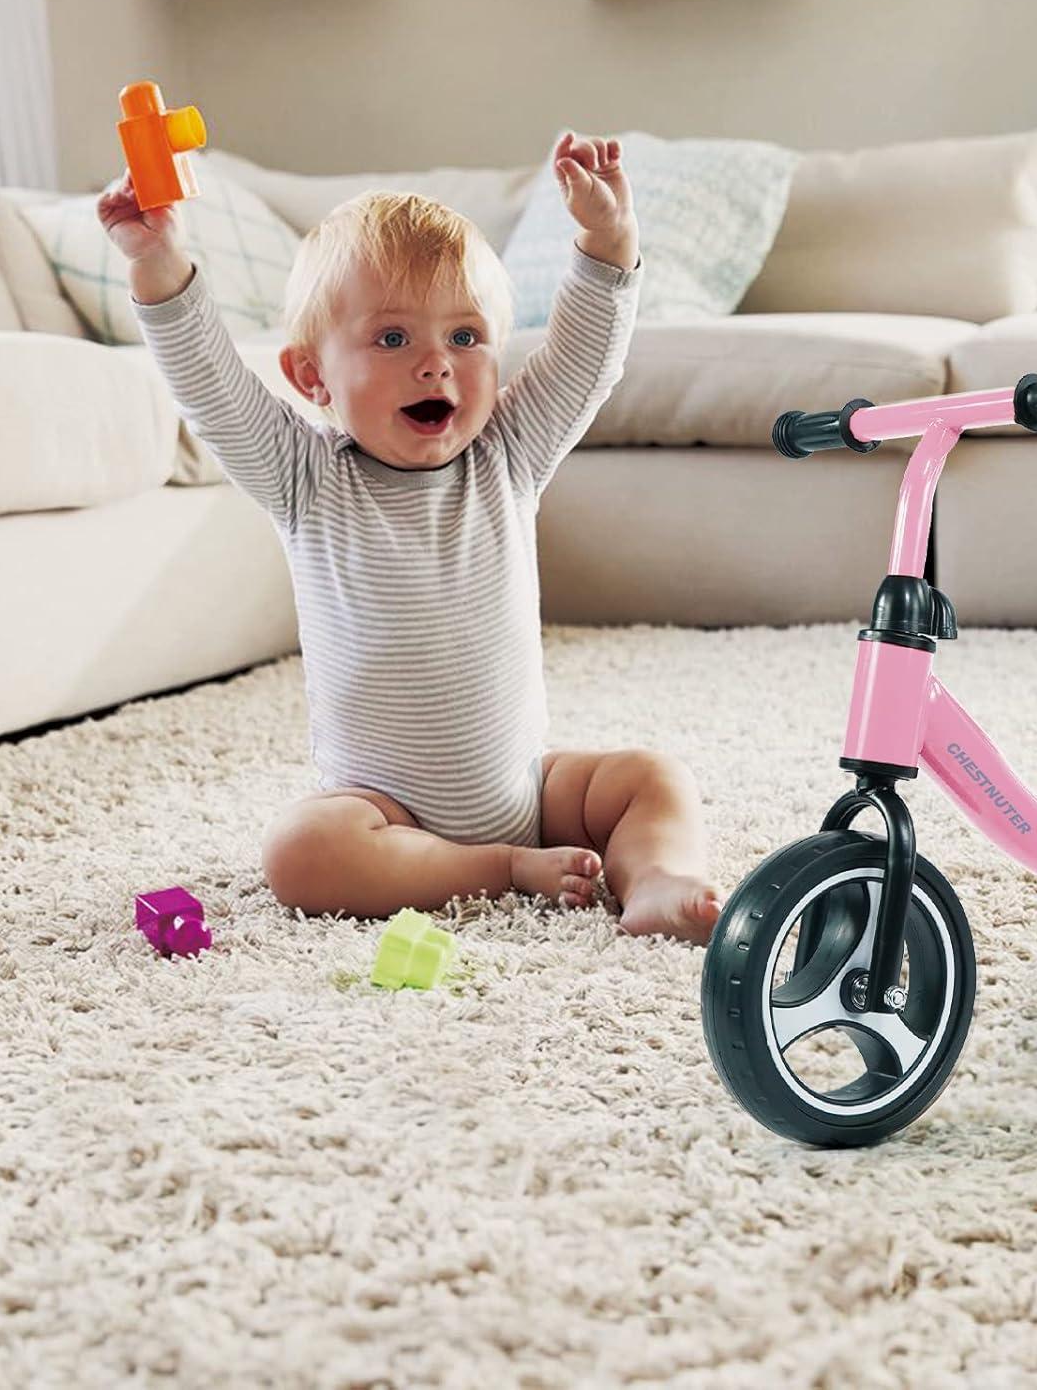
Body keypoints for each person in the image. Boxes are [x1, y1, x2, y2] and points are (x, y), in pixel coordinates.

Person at [98, 131, 722, 942]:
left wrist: (608, 243)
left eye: (466, 337)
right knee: (299, 852)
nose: (436, 364)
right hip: (383, 814)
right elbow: (210, 387)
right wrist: (157, 265)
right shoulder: (306, 477)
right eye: (392, 339)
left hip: (528, 794)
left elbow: (584, 360)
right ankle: (496, 871)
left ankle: (661, 877)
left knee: (652, 779)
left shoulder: (509, 454)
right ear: (312, 377)